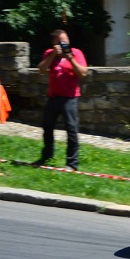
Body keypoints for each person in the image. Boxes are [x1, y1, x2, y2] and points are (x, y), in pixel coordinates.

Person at [35, 30, 88, 170]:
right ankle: (47, 157)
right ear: (54, 43)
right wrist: (53, 55)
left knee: (71, 130)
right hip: (53, 97)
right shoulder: (49, 54)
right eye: (60, 42)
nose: (64, 44)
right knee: (47, 127)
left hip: (70, 98)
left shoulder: (76, 53)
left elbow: (83, 73)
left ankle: (72, 163)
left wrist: (70, 58)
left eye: (66, 40)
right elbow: (41, 69)